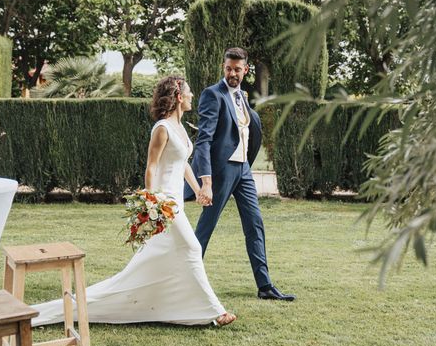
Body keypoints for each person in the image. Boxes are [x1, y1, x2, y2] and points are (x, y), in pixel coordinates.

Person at [32, 76, 236, 327]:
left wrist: (198, 190)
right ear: (179, 97)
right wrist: (152, 203)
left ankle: (144, 305)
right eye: (189, 92)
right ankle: (215, 311)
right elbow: (150, 167)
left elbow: (182, 163)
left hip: (176, 202)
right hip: (165, 203)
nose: (193, 96)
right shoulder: (162, 128)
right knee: (193, 249)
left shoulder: (181, 128)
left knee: (156, 263)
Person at [187, 47, 296, 301]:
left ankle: (265, 286)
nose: (232, 73)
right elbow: (203, 140)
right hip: (221, 171)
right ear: (223, 67)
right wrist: (206, 181)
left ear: (245, 69)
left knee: (255, 224)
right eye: (228, 68)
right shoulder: (212, 94)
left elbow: (246, 130)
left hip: (243, 170)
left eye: (237, 69)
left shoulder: (243, 96)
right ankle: (186, 279)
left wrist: (246, 162)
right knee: (206, 227)